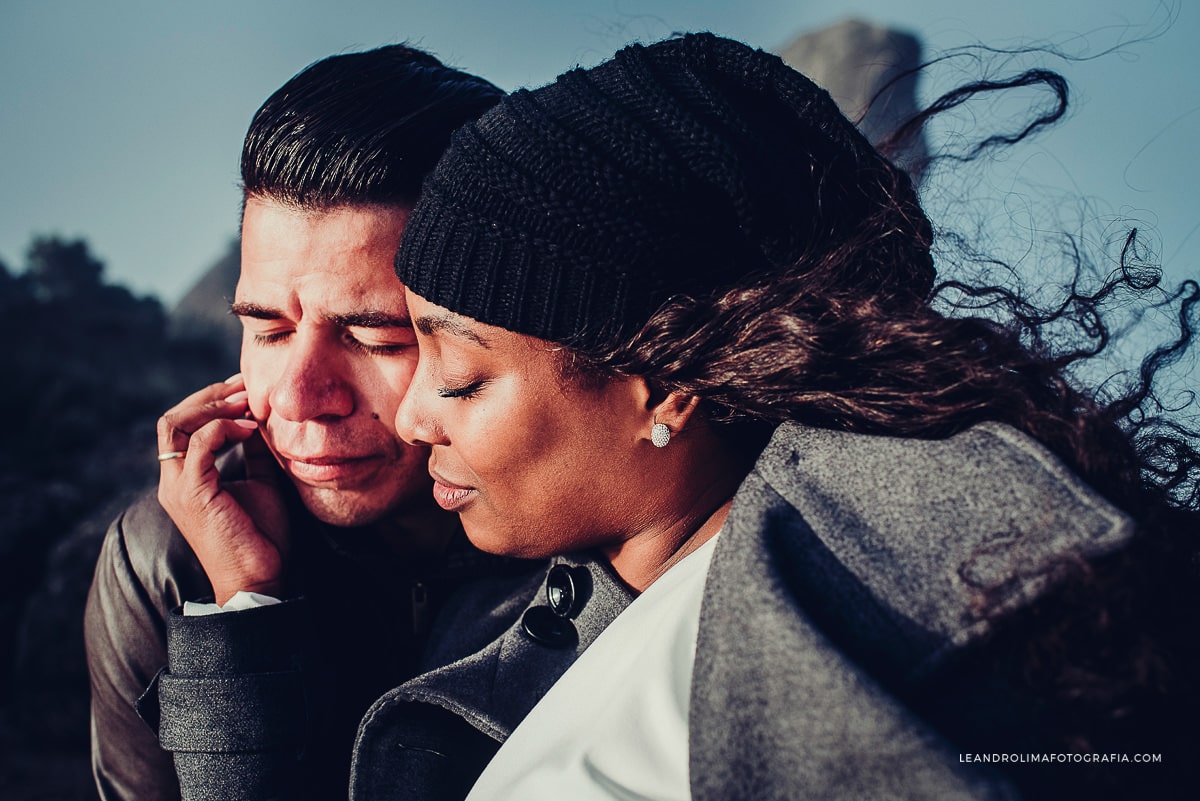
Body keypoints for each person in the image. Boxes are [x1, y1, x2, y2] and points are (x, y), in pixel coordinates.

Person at [385, 32, 1200, 800]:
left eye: (458, 376)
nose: (411, 415)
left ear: (666, 384)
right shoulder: (597, 612)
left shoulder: (831, 672)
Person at [84, 44, 519, 801]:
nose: (299, 395)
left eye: (376, 337)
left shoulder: (603, 531)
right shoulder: (165, 563)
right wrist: (244, 606)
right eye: (270, 330)